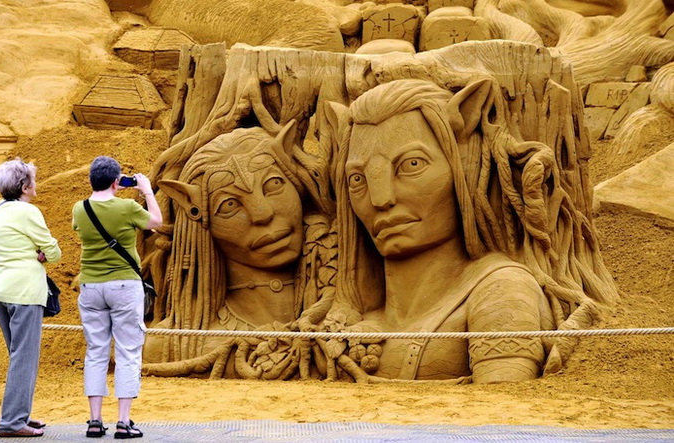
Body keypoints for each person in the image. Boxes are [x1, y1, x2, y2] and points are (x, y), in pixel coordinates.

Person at [325, 79, 619, 383]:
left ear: (464, 166)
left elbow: (504, 404)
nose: (380, 199)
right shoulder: (358, 313)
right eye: (357, 179)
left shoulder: (502, 290)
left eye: (412, 165)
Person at [141, 123, 336, 379]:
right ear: (198, 216)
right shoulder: (174, 344)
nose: (262, 213)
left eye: (273, 184)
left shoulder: (347, 311)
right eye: (229, 205)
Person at [72, 156, 162, 439]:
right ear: (116, 182)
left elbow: (84, 227)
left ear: (91, 180)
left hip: (90, 286)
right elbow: (157, 221)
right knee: (128, 351)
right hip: (124, 285)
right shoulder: (127, 207)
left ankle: (95, 420)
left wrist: (110, 190)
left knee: (96, 351)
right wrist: (146, 191)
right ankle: (123, 422)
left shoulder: (80, 208)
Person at [0, 158, 61, 438]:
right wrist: (42, 254)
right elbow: (53, 251)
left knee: (17, 355)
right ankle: (12, 422)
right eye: (32, 180)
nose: (35, 184)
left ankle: (21, 414)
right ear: (24, 187)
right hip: (25, 291)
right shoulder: (28, 212)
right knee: (24, 357)